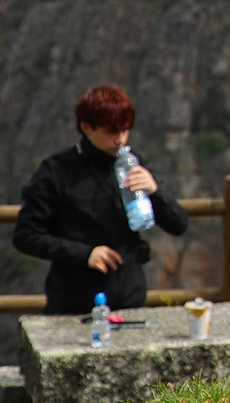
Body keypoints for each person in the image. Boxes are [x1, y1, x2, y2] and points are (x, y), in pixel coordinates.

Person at [13, 84, 189, 314]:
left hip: (129, 295)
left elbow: (178, 224)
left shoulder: (134, 161)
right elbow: (26, 236)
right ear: (86, 127)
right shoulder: (57, 170)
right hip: (75, 299)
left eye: (125, 130)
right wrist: (85, 254)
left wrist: (155, 191)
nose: (120, 140)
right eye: (111, 132)